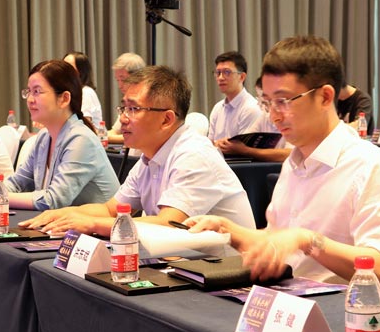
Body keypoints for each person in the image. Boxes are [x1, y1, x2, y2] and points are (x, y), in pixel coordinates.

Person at [187, 36, 380, 288]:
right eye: (267, 103)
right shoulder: (293, 164)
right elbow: (276, 241)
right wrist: (226, 229)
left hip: (340, 307)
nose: (274, 115)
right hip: (285, 299)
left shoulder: (371, 166)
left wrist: (309, 241)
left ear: (325, 97)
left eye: (283, 101)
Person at [21, 65, 255, 236]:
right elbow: (111, 210)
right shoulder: (149, 157)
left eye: (133, 109)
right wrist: (65, 214)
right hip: (185, 264)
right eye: (123, 108)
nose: (123, 118)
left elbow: (169, 225)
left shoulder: (194, 155)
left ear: (166, 119)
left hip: (225, 273)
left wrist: (90, 224)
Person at [0, 60, 119, 210]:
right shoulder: (44, 137)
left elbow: (54, 200)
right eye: (28, 92)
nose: (30, 99)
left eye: (37, 91)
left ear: (64, 99)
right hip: (62, 223)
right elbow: (18, 183)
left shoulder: (81, 140)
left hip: (98, 227)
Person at [214, 76, 291, 163]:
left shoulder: (291, 118)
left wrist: (246, 151)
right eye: (260, 100)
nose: (259, 104)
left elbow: (289, 154)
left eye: (265, 102)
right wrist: (228, 144)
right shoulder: (265, 117)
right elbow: (246, 140)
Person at [208, 51, 263, 142]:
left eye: (227, 72)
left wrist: (217, 145)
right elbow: (209, 144)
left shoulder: (251, 108)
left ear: (242, 77)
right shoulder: (217, 108)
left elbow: (243, 147)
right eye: (218, 73)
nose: (220, 78)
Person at [106, 52, 146, 145]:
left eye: (123, 80)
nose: (119, 85)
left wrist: (101, 137)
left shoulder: (147, 102)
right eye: (117, 80)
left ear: (138, 77)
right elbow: (115, 131)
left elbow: (137, 136)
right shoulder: (127, 103)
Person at [63, 51, 103, 126]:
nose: (64, 71)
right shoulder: (67, 92)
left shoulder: (86, 92)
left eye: (69, 68)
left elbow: (83, 124)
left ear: (81, 72)